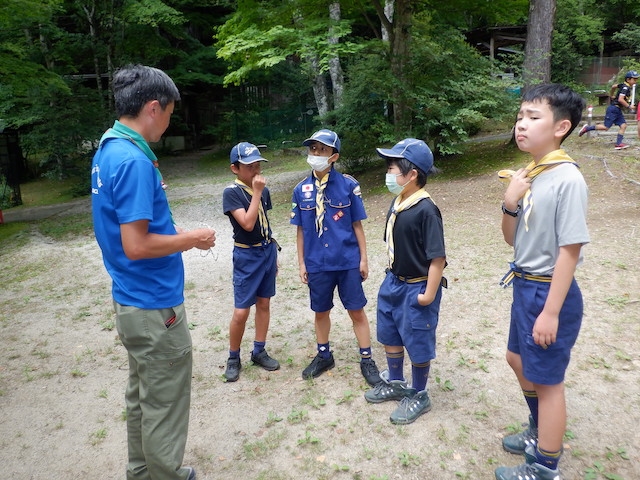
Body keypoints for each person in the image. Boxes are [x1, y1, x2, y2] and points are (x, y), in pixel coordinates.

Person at [91, 64, 216, 480]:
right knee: (164, 400)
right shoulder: (133, 161)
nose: (168, 121)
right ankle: (163, 474)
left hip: (131, 299)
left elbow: (128, 227)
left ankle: (142, 471)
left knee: (142, 396)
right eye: (169, 113)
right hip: (154, 305)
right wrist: (192, 239)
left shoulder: (108, 149)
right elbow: (137, 244)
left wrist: (173, 231)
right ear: (152, 107)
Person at [495, 83, 589, 480]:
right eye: (520, 116)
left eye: (534, 117)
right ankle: (538, 431)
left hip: (550, 291)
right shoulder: (533, 174)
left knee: (548, 381)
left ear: (561, 127)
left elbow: (570, 250)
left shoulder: (567, 178)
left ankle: (546, 467)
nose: (522, 125)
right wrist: (510, 202)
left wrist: (550, 312)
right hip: (525, 286)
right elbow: (511, 238)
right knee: (517, 359)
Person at [363, 138, 447, 425]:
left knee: (418, 340)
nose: (388, 173)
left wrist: (428, 294)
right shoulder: (398, 202)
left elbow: (438, 258)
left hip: (418, 287)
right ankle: (397, 381)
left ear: (412, 174)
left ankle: (419, 392)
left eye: (392, 167)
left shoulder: (426, 209)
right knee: (390, 334)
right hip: (393, 283)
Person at [290, 129, 381, 386]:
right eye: (313, 149)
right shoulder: (301, 190)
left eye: (322, 150)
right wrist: (301, 263)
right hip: (317, 262)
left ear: (334, 156)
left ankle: (367, 359)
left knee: (356, 310)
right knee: (321, 311)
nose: (316, 154)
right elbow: (300, 231)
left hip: (347, 261)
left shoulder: (349, 186)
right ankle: (324, 355)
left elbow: (357, 226)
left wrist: (363, 259)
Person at [222, 142, 280, 382]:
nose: (256, 171)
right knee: (241, 310)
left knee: (264, 303)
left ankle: (259, 350)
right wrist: (256, 192)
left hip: (266, 251)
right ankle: (233, 357)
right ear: (235, 168)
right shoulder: (232, 192)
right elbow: (246, 223)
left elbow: (262, 221)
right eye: (249, 166)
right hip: (246, 256)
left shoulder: (263, 191)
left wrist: (273, 256)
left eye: (257, 165)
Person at [578, 70, 639, 149]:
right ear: (628, 79)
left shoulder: (622, 85)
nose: (635, 81)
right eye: (634, 79)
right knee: (606, 127)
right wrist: (629, 106)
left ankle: (618, 143)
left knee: (623, 126)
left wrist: (611, 95)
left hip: (617, 110)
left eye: (636, 79)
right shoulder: (625, 88)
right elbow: (621, 99)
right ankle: (587, 128)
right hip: (613, 109)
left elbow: (613, 86)